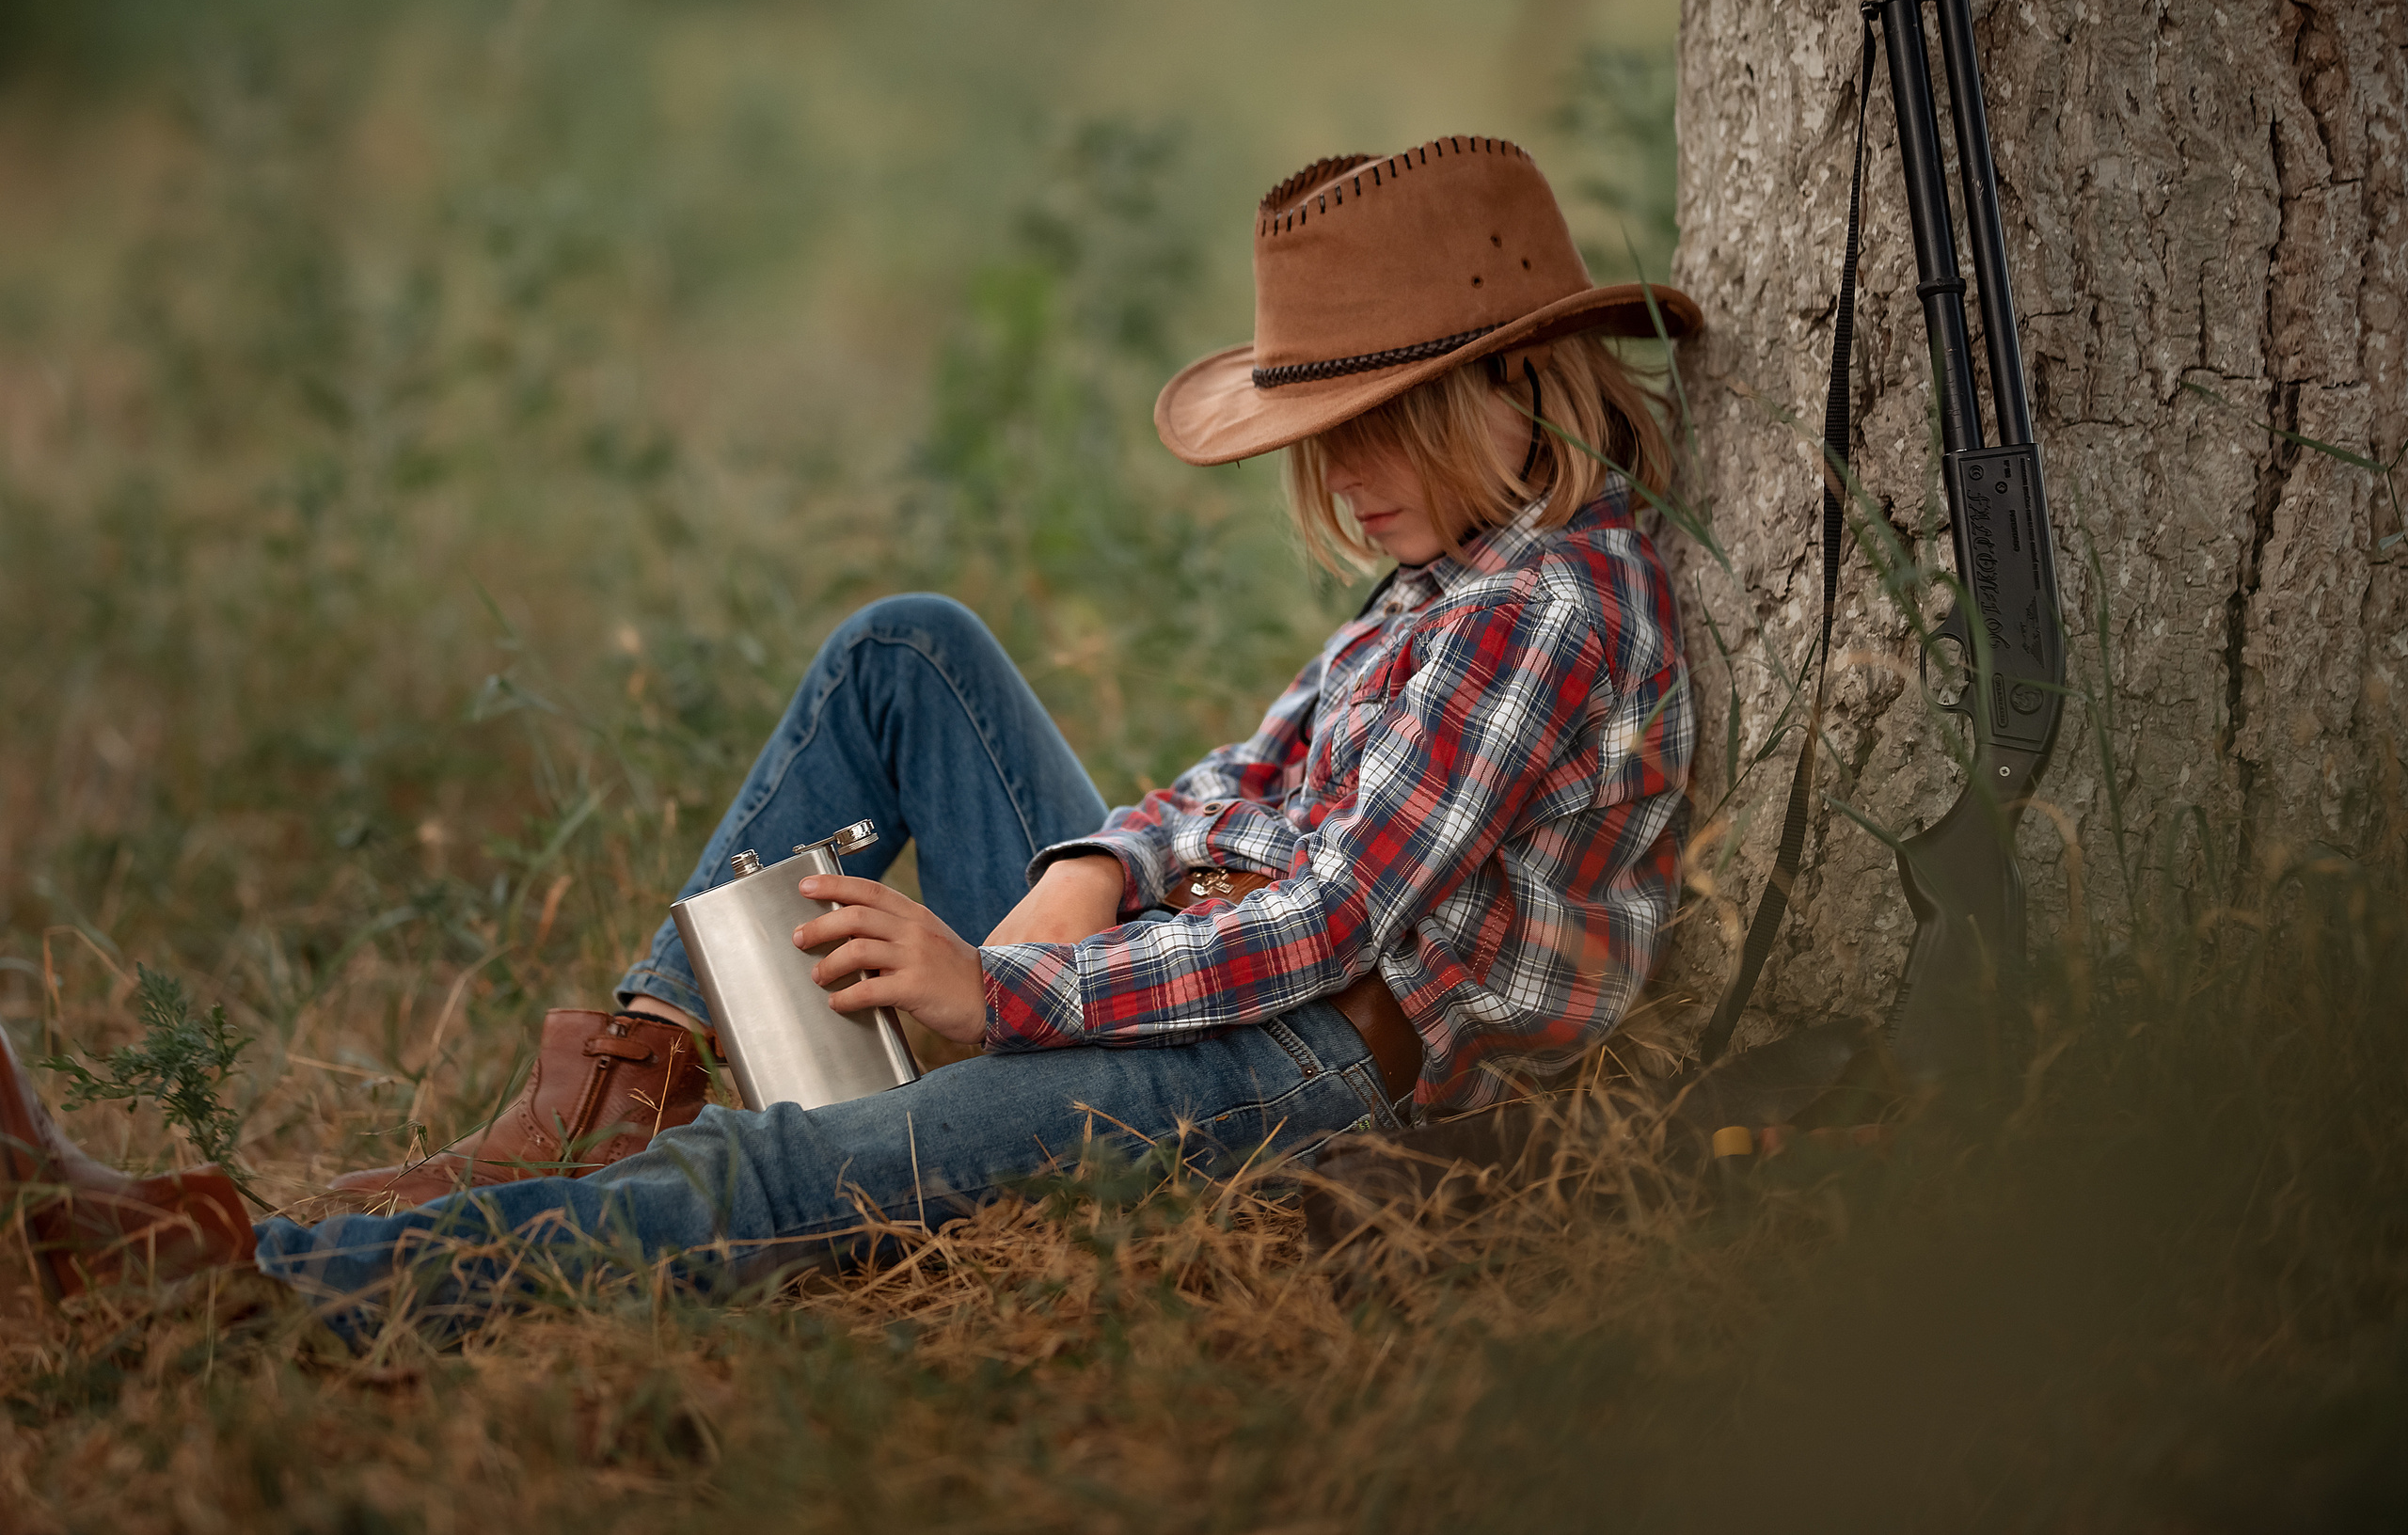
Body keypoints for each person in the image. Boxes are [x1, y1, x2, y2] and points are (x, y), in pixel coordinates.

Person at [2, 135, 1701, 1330]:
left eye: (1371, 429)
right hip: (1203, 968)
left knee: (783, 1173)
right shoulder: (1453, 574)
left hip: (1308, 1066)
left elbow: (1329, 925)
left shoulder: (1541, 614)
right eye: (1316, 440)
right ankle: (632, 1071)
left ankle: (263, 1285)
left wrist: (1003, 989)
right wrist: (1101, 861)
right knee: (911, 653)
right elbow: (1248, 780)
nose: (1335, 482)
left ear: (1508, 384)